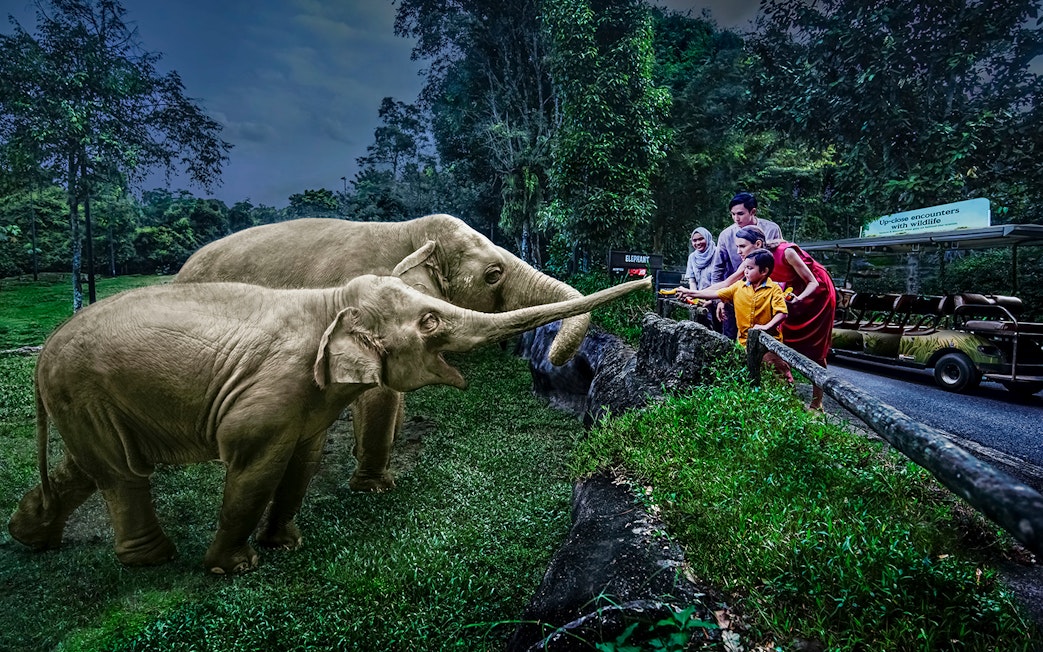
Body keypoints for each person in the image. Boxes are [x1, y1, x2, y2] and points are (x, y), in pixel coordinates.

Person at [704, 224, 836, 410]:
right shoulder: (751, 262)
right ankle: (783, 395)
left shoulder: (786, 252)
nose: (738, 251)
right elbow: (727, 283)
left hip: (815, 294)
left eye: (742, 246)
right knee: (779, 342)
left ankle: (817, 403)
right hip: (788, 295)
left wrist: (798, 299)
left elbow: (812, 281)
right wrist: (693, 293)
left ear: (758, 244)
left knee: (815, 351)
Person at [678, 248, 793, 383]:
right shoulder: (739, 286)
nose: (746, 271)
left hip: (769, 343)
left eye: (750, 268)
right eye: (745, 267)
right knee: (750, 376)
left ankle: (791, 399)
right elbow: (716, 293)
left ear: (764, 271)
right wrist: (690, 293)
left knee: (780, 375)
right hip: (743, 343)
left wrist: (766, 326)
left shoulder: (774, 289)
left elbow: (782, 313)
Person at [711, 192, 782, 340]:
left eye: (740, 214)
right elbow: (718, 269)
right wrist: (720, 301)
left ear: (753, 211)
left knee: (766, 339)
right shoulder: (726, 235)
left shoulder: (771, 230)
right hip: (736, 294)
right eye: (732, 214)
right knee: (731, 340)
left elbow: (780, 260)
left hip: (764, 295)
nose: (736, 218)